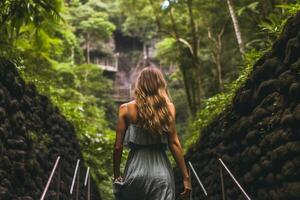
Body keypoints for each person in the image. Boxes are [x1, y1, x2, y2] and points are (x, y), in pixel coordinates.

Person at [113, 66, 192, 200]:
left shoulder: (125, 109)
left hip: (135, 172)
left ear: (139, 84)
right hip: (161, 174)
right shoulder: (169, 108)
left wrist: (116, 174)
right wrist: (186, 177)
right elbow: (174, 143)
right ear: (160, 84)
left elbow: (118, 146)